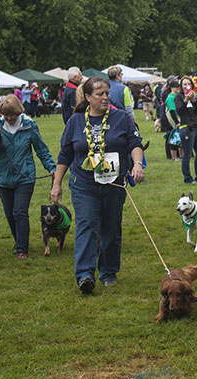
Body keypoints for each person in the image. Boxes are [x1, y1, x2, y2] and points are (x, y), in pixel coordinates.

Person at [50, 77, 145, 294]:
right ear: (88, 97)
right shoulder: (75, 121)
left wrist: (137, 164)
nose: (105, 97)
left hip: (114, 183)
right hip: (84, 184)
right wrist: (57, 184)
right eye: (99, 94)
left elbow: (135, 143)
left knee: (111, 228)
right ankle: (84, 275)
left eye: (107, 93)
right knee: (86, 225)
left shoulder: (121, 118)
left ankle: (108, 271)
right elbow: (65, 154)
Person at [0, 95, 56, 259]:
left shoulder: (29, 125)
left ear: (18, 112)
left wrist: (52, 167)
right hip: (2, 177)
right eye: (5, 115)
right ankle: (18, 241)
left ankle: (23, 248)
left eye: (12, 115)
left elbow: (41, 150)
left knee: (19, 212)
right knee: (9, 213)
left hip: (25, 176)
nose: (9, 118)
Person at [175, 76, 197, 184]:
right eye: (184, 84)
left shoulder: (195, 97)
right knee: (187, 154)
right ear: (181, 86)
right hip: (186, 129)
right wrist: (185, 100)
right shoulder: (178, 98)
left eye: (188, 83)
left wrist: (193, 101)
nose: (187, 86)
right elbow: (179, 110)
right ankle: (187, 178)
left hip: (196, 128)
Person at [164, 77, 183, 161]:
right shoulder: (171, 97)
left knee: (180, 138)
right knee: (175, 138)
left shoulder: (176, 96)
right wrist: (177, 122)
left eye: (179, 86)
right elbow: (172, 110)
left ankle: (181, 155)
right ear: (171, 88)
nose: (178, 88)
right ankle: (174, 157)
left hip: (179, 118)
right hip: (175, 119)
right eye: (176, 87)